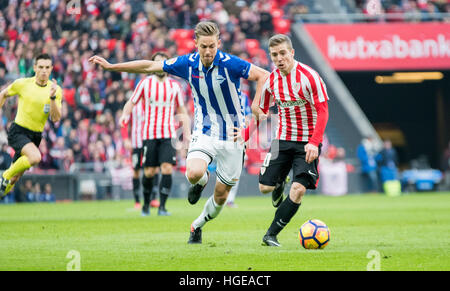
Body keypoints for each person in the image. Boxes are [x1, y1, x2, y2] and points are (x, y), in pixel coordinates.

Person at [89, 21, 269, 243]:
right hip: (204, 131)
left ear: (219, 43)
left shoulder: (230, 63)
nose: (208, 51)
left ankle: (197, 225)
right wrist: (112, 67)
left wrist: (256, 109)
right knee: (193, 173)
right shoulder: (188, 63)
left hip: (233, 135)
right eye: (203, 46)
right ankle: (201, 181)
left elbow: (264, 75)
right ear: (195, 44)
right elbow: (149, 67)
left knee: (221, 196)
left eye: (212, 46)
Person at [239, 34, 329, 247]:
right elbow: (261, 112)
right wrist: (245, 137)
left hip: (307, 143)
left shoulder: (310, 76)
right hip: (282, 141)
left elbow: (323, 111)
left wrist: (314, 142)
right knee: (264, 188)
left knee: (298, 190)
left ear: (292, 53)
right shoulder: (271, 80)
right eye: (274, 55)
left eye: (282, 53)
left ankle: (270, 235)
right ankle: (279, 183)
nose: (279, 59)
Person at [119, 52, 191, 216]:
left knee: (166, 169)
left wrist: (187, 134)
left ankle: (162, 207)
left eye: (163, 62)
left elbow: (182, 110)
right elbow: (131, 102)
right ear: (152, 65)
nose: (160, 65)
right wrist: (125, 115)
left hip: (168, 134)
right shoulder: (145, 83)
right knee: (150, 171)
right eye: (157, 62)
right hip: (149, 133)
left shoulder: (174, 86)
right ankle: (145, 205)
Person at [0, 53, 63, 197]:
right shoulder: (23, 84)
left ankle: (2, 190)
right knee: (35, 157)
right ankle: (5, 175)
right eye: (40, 67)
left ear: (51, 69)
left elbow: (55, 118)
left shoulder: (56, 90)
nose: (44, 70)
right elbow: (3, 94)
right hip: (18, 132)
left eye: (47, 67)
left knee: (15, 178)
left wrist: (52, 97)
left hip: (35, 136)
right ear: (35, 67)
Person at [226, 93, 252, 208]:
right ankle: (220, 197)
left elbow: (247, 117)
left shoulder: (243, 97)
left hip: (237, 136)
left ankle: (230, 199)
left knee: (236, 168)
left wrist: (244, 135)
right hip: (221, 134)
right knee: (223, 167)